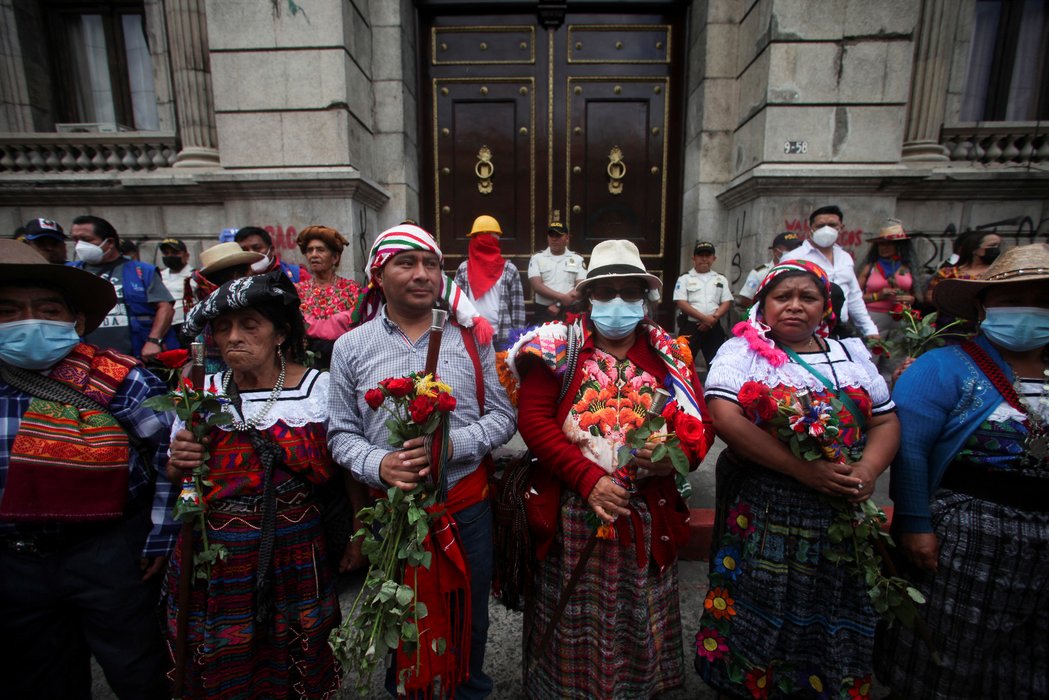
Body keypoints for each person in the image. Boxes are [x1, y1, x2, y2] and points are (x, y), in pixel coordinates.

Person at [508, 239, 714, 699]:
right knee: (572, 614)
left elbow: (701, 422)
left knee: (636, 612)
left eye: (630, 291)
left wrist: (668, 462)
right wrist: (588, 479)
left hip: (643, 514)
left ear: (645, 298)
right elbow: (535, 421)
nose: (617, 303)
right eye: (605, 292)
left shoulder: (670, 355)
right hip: (574, 513)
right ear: (587, 298)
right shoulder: (555, 348)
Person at [694, 259, 900, 698]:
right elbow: (726, 418)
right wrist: (804, 471)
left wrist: (866, 470)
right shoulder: (741, 354)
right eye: (782, 297)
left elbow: (885, 421)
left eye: (807, 297)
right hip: (770, 508)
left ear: (826, 307)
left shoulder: (852, 356)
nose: (794, 307)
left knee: (833, 601)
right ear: (763, 305)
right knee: (763, 599)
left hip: (841, 511)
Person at [328, 223, 515, 698]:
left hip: (465, 509)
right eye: (405, 263)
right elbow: (340, 433)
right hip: (391, 515)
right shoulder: (351, 346)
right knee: (400, 616)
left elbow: (502, 417)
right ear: (378, 274)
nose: (421, 274)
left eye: (430, 264)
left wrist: (451, 446)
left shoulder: (471, 338)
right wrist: (380, 464)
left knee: (468, 615)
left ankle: (467, 688)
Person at [0, 240, 175, 699]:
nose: (29, 321)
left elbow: (170, 455)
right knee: (38, 674)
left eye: (46, 309)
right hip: (13, 560)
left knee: (139, 668)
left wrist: (161, 534)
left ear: (75, 321)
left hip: (109, 551)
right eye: (10, 311)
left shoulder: (121, 376)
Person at [874, 244, 1049, 699]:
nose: (1029, 311)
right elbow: (910, 449)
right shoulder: (944, 367)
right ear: (982, 306)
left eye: (1042, 301)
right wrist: (914, 523)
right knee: (951, 649)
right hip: (971, 532)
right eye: (1013, 301)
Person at [166, 271, 341, 698]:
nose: (233, 337)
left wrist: (354, 536)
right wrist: (179, 466)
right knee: (223, 655)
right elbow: (182, 482)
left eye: (249, 325)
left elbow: (344, 471)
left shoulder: (320, 389)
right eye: (223, 328)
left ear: (280, 333)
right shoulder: (198, 393)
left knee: (297, 648)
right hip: (218, 555)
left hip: (296, 550)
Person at [70, 215, 176, 361]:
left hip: (136, 356)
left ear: (110, 242)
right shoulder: (70, 273)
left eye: (87, 240)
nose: (79, 246)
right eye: (75, 240)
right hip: (85, 358)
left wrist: (153, 341)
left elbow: (165, 307)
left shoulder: (142, 271)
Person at [782, 205, 880, 338]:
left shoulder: (845, 258)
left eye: (832, 225)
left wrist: (869, 329)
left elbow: (854, 297)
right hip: (809, 331)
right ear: (811, 229)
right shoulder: (794, 258)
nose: (826, 230)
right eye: (821, 226)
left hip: (842, 330)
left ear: (841, 228)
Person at [183, 242, 265, 375]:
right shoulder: (240, 306)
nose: (253, 276)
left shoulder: (202, 305)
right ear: (237, 276)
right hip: (237, 375)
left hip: (209, 378)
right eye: (250, 272)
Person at [857, 219, 922, 375]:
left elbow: (918, 293)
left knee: (897, 357)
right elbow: (855, 298)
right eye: (881, 244)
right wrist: (877, 295)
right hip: (875, 317)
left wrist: (911, 299)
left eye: (888, 244)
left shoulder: (907, 268)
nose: (884, 248)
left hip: (902, 317)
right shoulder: (869, 267)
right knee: (871, 355)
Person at [293, 225, 362, 369]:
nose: (313, 255)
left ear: (335, 257)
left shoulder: (352, 290)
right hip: (306, 364)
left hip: (345, 362)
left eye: (320, 250)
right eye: (309, 250)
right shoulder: (297, 291)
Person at [454, 214, 525, 350]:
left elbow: (518, 308)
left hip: (502, 336)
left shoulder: (509, 269)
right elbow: (457, 304)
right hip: (470, 333)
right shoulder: (464, 269)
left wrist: (518, 337)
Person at [924, 229, 1002, 341]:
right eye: (992, 245)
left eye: (998, 245)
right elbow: (930, 296)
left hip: (986, 331)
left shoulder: (997, 273)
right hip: (949, 331)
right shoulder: (948, 272)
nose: (996, 249)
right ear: (975, 249)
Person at [673, 241, 734, 367]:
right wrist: (705, 319)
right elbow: (681, 302)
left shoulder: (720, 279)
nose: (704, 259)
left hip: (714, 327)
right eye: (700, 255)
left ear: (714, 258)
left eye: (708, 255)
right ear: (694, 258)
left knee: (716, 364)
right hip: (691, 327)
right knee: (683, 363)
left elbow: (727, 301)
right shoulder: (685, 278)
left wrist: (713, 319)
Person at [527, 220, 586, 324]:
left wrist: (558, 304)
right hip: (544, 311)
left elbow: (581, 286)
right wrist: (562, 298)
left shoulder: (577, 258)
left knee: (571, 340)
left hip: (571, 310)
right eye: (551, 235)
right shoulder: (537, 258)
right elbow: (536, 285)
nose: (554, 239)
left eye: (558, 236)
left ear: (567, 238)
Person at [736, 231, 802, 308]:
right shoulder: (760, 273)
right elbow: (746, 299)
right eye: (791, 249)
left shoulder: (803, 272)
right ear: (776, 252)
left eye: (797, 248)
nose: (795, 252)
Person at [234, 226, 309, 283]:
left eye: (257, 248)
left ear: (272, 250)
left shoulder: (298, 275)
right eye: (244, 250)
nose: (251, 254)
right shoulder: (233, 280)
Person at [158, 238, 195, 342]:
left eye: (175, 253)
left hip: (187, 327)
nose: (170, 256)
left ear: (186, 255)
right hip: (165, 329)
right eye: (166, 253)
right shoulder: (159, 276)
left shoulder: (195, 276)